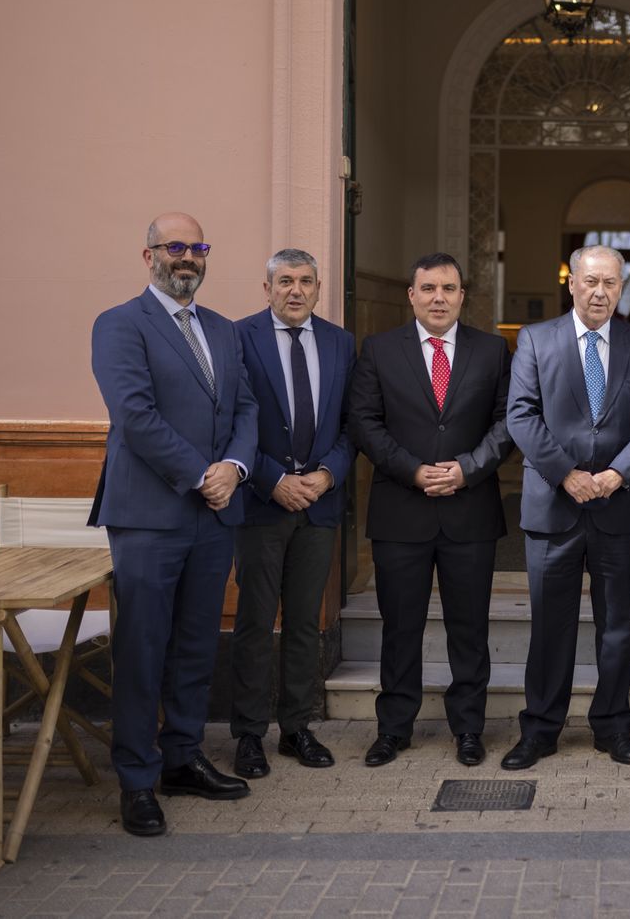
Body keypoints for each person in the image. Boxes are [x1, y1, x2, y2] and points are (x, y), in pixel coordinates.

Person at [88, 212, 257, 837]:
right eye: (175, 247)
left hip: (214, 515)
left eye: (197, 247)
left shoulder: (222, 329)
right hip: (151, 515)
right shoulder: (119, 324)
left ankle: (183, 758)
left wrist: (235, 467)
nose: (187, 257)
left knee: (193, 645)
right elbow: (134, 415)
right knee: (142, 648)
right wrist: (201, 474)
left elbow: (245, 406)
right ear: (149, 255)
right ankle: (136, 777)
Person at [501, 244, 630, 769]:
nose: (600, 292)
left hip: (618, 505)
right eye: (591, 282)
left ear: (623, 288)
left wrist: (618, 473)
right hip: (554, 505)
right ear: (571, 283)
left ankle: (613, 726)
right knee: (551, 625)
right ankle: (541, 729)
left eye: (612, 283)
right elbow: (521, 416)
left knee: (616, 624)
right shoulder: (535, 340)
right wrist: (567, 474)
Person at [347, 252, 515, 768]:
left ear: (464, 295)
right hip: (403, 509)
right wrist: (413, 470)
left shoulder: (492, 351)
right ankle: (394, 728)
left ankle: (469, 728)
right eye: (428, 289)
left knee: (470, 626)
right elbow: (363, 421)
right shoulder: (378, 350)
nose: (438, 298)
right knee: (400, 625)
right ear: (411, 295)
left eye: (448, 288)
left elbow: (508, 421)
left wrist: (468, 467)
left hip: (470, 509)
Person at [228, 249, 356, 778]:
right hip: (262, 503)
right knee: (256, 623)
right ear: (267, 289)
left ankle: (297, 729)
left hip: (319, 506)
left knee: (306, 622)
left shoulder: (340, 342)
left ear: (319, 288)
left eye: (305, 281)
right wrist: (273, 480)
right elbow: (229, 423)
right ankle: (249, 736)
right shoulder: (239, 337)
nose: (295, 291)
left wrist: (326, 475)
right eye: (285, 281)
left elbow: (353, 425)